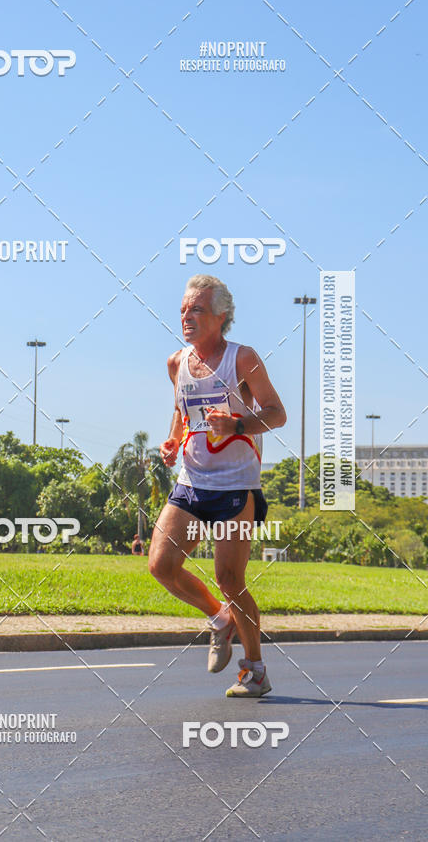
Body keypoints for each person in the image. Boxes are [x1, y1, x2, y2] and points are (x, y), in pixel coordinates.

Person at [149, 275, 286, 697]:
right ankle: (219, 617)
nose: (187, 316)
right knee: (161, 565)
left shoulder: (242, 359)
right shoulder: (176, 362)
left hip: (235, 487)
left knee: (230, 577)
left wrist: (239, 424)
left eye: (197, 309)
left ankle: (255, 671)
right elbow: (181, 411)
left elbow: (277, 413)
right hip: (191, 480)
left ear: (221, 316)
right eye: (184, 309)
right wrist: (172, 441)